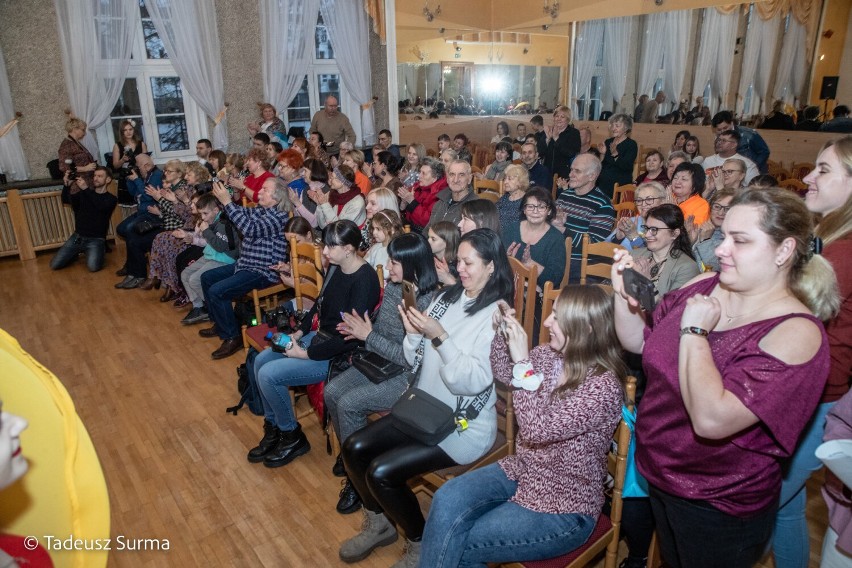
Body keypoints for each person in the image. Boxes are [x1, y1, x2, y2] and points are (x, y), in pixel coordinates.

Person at [611, 187, 838, 568]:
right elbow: (638, 341)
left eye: (740, 240)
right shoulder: (700, 287)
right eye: (725, 235)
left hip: (717, 503)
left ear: (784, 250)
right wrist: (622, 294)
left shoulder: (797, 332)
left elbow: (712, 419)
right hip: (659, 474)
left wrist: (695, 333)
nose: (720, 249)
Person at [338, 228, 513, 568]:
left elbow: (472, 383)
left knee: (381, 472)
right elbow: (415, 357)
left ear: (492, 266)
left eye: (468, 262)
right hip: (424, 407)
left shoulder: (496, 315)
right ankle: (379, 523)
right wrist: (415, 333)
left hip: (462, 425)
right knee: (354, 448)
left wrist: (440, 336)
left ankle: (418, 542)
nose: (459, 268)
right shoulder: (447, 298)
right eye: (457, 260)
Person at [420, 285, 626, 567]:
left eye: (557, 317)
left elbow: (536, 430)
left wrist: (523, 363)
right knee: (445, 499)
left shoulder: (603, 387)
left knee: (462, 540)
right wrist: (501, 336)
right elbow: (505, 373)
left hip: (564, 505)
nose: (547, 322)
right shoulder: (549, 355)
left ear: (587, 328)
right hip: (522, 470)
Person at [773, 136, 852, 568]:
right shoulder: (831, 238)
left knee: (761, 506)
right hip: (823, 393)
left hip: (817, 396)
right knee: (786, 509)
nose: (808, 177)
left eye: (823, 169)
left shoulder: (843, 252)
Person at [248, 220, 380, 469]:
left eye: (331, 246)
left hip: (336, 353)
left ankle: (291, 435)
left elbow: (348, 338)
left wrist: (306, 354)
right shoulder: (336, 266)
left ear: (350, 248)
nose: (325, 252)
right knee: (260, 360)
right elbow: (319, 305)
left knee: (268, 375)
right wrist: (298, 333)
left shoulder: (365, 280)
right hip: (318, 339)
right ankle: (275, 426)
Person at [325, 232, 440, 514]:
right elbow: (385, 334)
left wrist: (368, 336)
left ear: (412, 264)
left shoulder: (428, 302)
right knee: (332, 392)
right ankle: (353, 457)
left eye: (393, 263)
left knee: (349, 404)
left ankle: (359, 482)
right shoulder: (395, 286)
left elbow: (410, 359)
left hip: (410, 378)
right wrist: (365, 329)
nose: (387, 268)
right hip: (381, 360)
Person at [199, 179, 292, 360]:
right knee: (207, 278)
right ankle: (221, 323)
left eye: (265, 190)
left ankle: (232, 337)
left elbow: (249, 229)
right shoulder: (261, 210)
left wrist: (227, 202)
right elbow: (241, 213)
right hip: (246, 264)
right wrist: (222, 200)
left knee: (217, 291)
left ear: (277, 197)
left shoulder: (279, 216)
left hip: (263, 270)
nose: (260, 192)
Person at [179, 192, 241, 326]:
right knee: (185, 274)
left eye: (205, 214)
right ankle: (199, 307)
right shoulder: (211, 220)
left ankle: (214, 308)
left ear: (215, 210)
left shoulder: (224, 224)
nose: (203, 218)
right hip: (210, 255)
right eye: (201, 214)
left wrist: (206, 231)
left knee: (194, 279)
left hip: (224, 259)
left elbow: (220, 247)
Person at [552, 153, 616, 283]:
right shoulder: (565, 195)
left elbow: (595, 245)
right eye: (571, 170)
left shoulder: (603, 204)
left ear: (592, 176)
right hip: (558, 255)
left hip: (581, 263)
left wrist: (563, 230)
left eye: (577, 171)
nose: (570, 175)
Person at [50, 166, 117, 273]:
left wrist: (86, 189)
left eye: (100, 176)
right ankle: (77, 251)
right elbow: (66, 200)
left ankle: (96, 251)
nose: (95, 178)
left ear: (108, 180)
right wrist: (67, 185)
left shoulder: (111, 199)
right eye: (95, 175)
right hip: (78, 237)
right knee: (55, 265)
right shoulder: (86, 193)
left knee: (93, 268)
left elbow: (100, 207)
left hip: (96, 239)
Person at [630, 204, 700, 302]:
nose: (647, 235)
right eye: (646, 228)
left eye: (654, 230)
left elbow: (671, 310)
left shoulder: (687, 267)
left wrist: (646, 282)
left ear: (675, 233)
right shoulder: (634, 255)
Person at [114, 154, 165, 289]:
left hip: (151, 213)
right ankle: (134, 261)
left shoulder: (157, 175)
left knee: (132, 231)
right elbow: (134, 193)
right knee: (121, 229)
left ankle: (136, 272)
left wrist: (137, 180)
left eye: (138, 166)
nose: (136, 168)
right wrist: (130, 179)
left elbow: (148, 196)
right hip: (142, 211)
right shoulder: (144, 175)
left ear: (147, 165)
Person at [502, 187, 566, 290]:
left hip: (539, 295)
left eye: (541, 207)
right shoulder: (511, 229)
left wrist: (530, 264)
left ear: (549, 211)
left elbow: (555, 279)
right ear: (524, 209)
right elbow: (497, 266)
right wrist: (507, 259)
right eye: (530, 206)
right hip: (510, 287)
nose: (535, 211)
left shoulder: (556, 238)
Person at [607, 181, 667, 250]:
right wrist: (618, 238)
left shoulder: (665, 227)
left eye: (649, 199)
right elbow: (604, 248)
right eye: (639, 200)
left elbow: (649, 255)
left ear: (662, 201)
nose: (643, 204)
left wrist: (633, 236)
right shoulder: (630, 222)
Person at [691, 188, 736, 273]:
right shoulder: (700, 228)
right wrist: (690, 242)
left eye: (727, 209)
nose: (720, 213)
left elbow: (716, 268)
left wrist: (706, 241)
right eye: (717, 207)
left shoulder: (736, 239)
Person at [399, 156, 448, 233]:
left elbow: (427, 222)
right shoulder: (418, 186)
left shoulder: (440, 194)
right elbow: (407, 217)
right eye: (420, 172)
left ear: (434, 178)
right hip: (410, 228)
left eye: (423, 173)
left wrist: (412, 202)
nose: (419, 176)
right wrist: (403, 205)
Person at [597, 113, 639, 200]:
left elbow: (626, 166)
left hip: (620, 181)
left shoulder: (631, 144)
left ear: (626, 128)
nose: (613, 128)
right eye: (612, 125)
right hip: (604, 180)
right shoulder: (608, 142)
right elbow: (602, 165)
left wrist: (616, 154)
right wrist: (602, 153)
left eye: (617, 126)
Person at [428, 159, 479, 228]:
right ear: (447, 178)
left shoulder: (475, 207)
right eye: (452, 174)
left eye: (461, 175)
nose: (456, 180)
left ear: (469, 179)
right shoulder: (439, 203)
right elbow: (427, 231)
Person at [313, 165, 367, 230]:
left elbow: (339, 229)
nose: (330, 180)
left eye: (332, 177)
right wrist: (319, 204)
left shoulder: (357, 203)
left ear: (341, 182)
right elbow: (323, 226)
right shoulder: (333, 194)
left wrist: (324, 204)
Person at [111, 119, 147, 203]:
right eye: (125, 130)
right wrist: (122, 160)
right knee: (130, 203)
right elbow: (115, 166)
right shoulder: (117, 145)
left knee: (143, 201)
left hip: (140, 176)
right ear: (122, 132)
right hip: (126, 177)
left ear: (134, 130)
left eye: (130, 129)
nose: (128, 132)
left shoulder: (141, 144)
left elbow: (146, 162)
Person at [541, 105, 581, 178]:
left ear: (568, 120)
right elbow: (540, 152)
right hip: (547, 172)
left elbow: (571, 153)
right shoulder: (549, 131)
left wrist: (556, 139)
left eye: (562, 117)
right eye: (557, 116)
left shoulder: (574, 133)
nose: (559, 119)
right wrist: (547, 139)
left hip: (564, 174)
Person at [58, 117, 97, 186]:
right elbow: (63, 166)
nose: (85, 133)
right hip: (77, 186)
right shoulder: (67, 144)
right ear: (75, 129)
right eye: (83, 130)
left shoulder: (76, 142)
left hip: (86, 183)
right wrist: (85, 168)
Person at [364, 209, 403, 276]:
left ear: (392, 229)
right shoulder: (375, 247)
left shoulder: (397, 251)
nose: (374, 232)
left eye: (378, 229)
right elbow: (364, 264)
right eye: (373, 228)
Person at [670, 162, 710, 226]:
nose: (677, 182)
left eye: (684, 179)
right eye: (675, 178)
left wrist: (671, 208)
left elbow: (691, 232)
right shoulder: (666, 196)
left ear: (695, 184)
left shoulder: (702, 205)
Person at [495, 164, 529, 229]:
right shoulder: (505, 198)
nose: (505, 182)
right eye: (505, 178)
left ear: (520, 182)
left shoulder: (527, 201)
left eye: (510, 179)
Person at [428, 221, 459, 287]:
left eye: (433, 239)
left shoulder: (456, 266)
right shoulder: (429, 257)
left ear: (447, 242)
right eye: (429, 237)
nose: (428, 241)